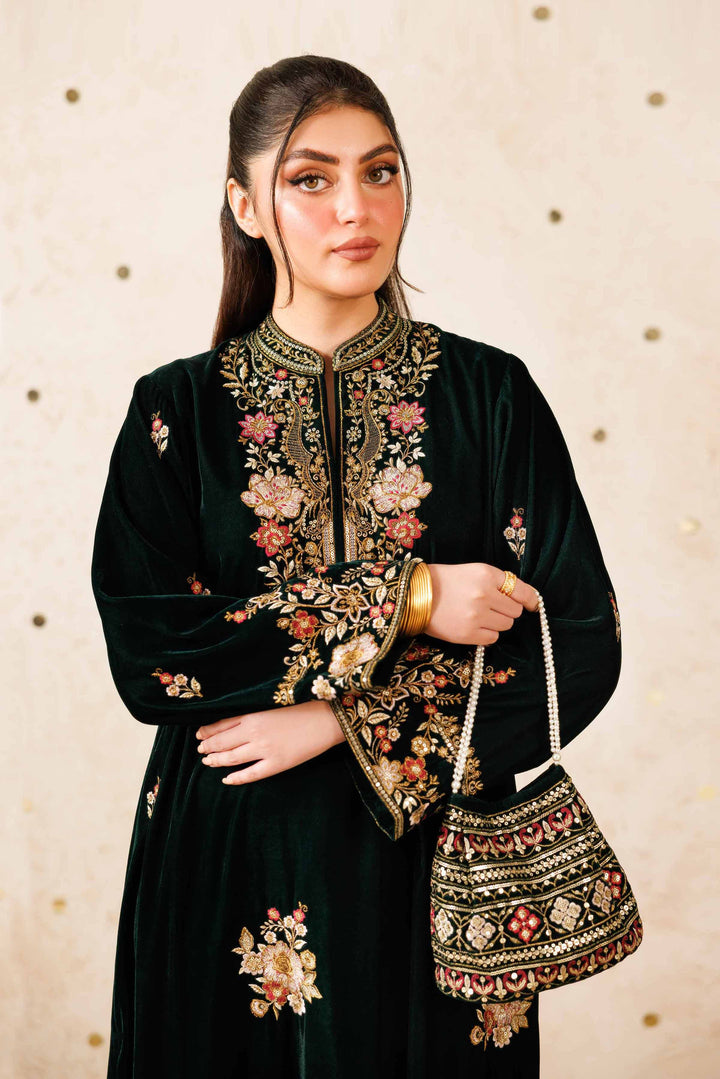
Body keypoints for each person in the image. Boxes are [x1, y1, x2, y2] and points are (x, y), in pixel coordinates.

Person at [91, 54, 622, 1078]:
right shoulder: (177, 412)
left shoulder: (490, 396)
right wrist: (410, 596)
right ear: (246, 206)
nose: (355, 207)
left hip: (430, 857)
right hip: (229, 852)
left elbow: (579, 645)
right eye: (311, 179)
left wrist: (345, 719)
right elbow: (152, 650)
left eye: (380, 171)